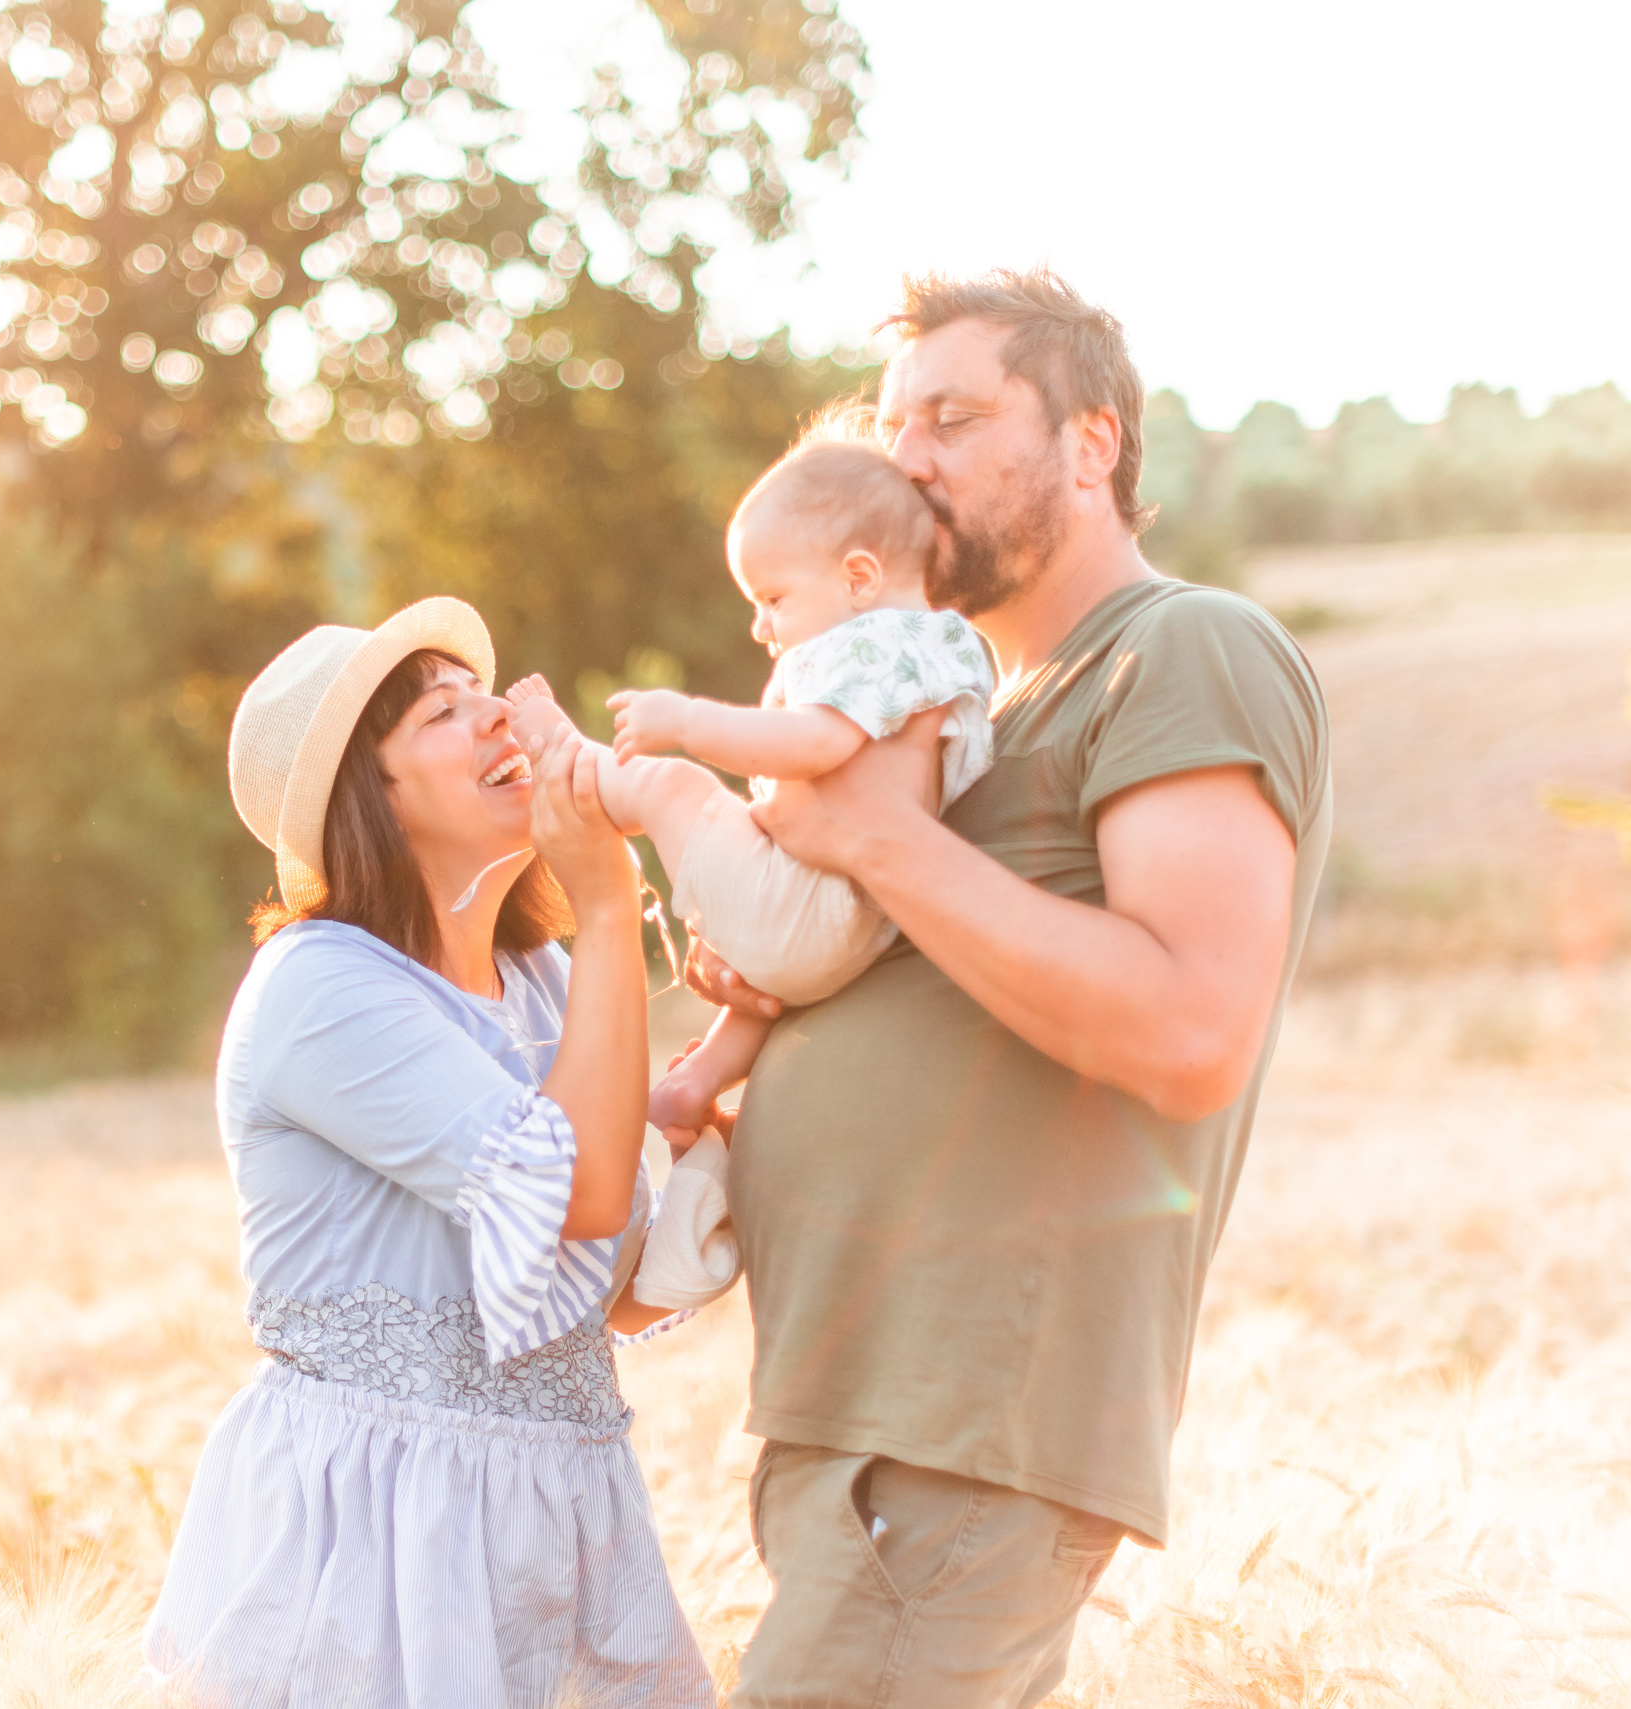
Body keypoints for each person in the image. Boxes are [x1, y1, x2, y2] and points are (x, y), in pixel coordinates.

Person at [691, 269, 1333, 1708]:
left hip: (969, 1424)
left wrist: (870, 838)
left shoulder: (1180, 650)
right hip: (865, 1424)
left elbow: (1186, 1029)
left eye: (955, 417)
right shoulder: (970, 713)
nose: (906, 458)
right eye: (894, 423)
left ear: (1090, 443)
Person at [143, 597, 713, 1709]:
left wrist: (718, 1129)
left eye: (485, 692)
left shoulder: (546, 978)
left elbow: (614, 1291)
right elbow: (586, 1194)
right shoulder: (321, 985)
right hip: (378, 1531)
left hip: (557, 1515)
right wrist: (605, 894)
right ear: (374, 795)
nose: (502, 716)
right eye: (447, 711)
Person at [502, 438, 996, 1155]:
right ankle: (693, 1081)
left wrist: (686, 722)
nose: (761, 627)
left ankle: (564, 759)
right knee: (766, 987)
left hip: (814, 905)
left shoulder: (872, 644)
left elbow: (813, 744)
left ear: (860, 577)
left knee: (674, 784)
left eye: (773, 599)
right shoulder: (947, 644)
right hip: (857, 924)